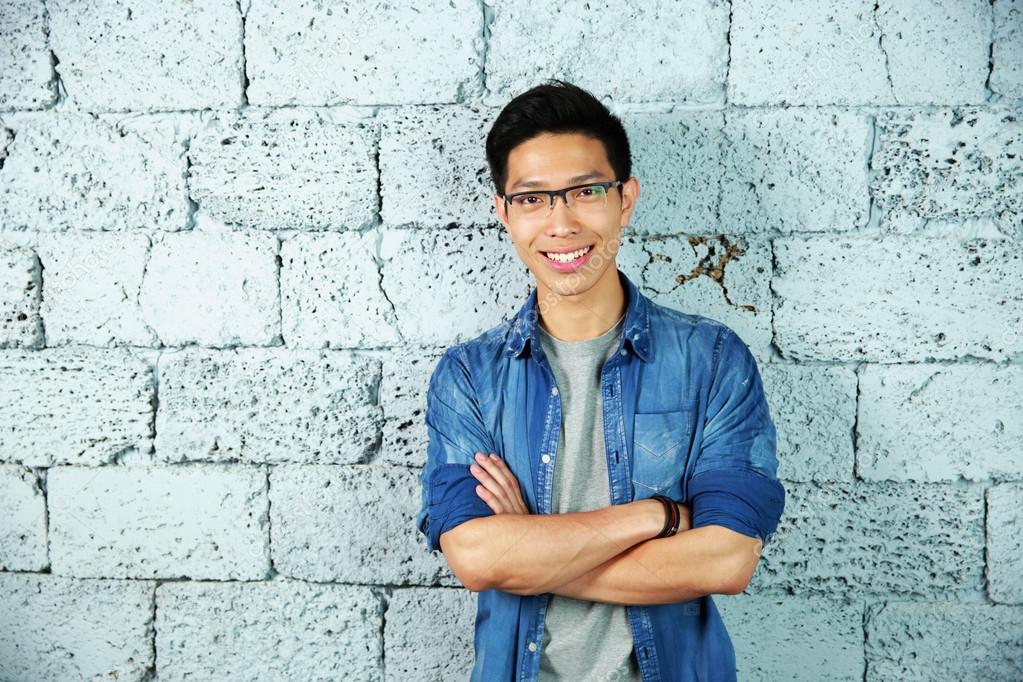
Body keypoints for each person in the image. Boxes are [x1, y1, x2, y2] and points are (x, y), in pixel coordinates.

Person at [415, 78, 785, 682]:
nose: (561, 223)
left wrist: (528, 549)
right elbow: (476, 557)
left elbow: (727, 559)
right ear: (504, 213)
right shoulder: (469, 377)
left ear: (625, 198)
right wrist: (657, 518)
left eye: (586, 191)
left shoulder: (712, 360)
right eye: (533, 199)